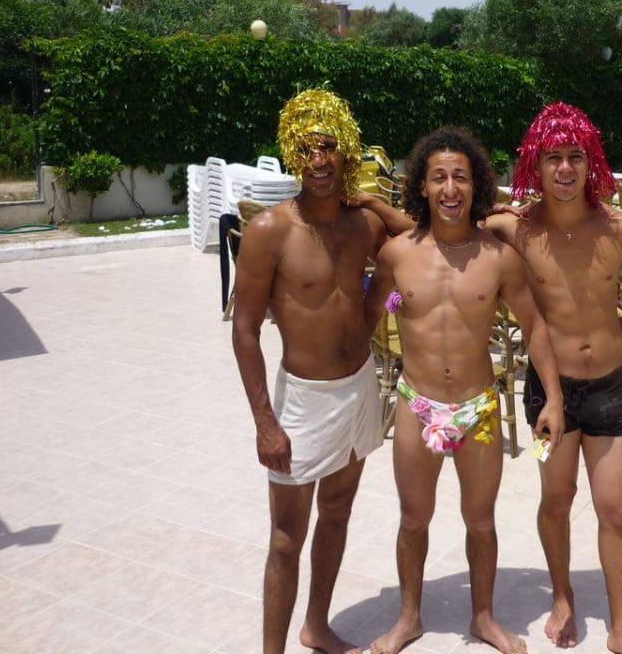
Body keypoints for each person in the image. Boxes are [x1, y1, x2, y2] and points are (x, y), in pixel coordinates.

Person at [484, 102, 622, 654]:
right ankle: (562, 596)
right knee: (556, 499)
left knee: (616, 508)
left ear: (591, 161)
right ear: (534, 163)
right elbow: (444, 224)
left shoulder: (620, 227)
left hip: (608, 390)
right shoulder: (514, 227)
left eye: (576, 156)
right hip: (546, 394)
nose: (565, 168)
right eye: (553, 157)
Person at [365, 126, 566, 654]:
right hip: (416, 405)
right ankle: (408, 618)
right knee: (413, 519)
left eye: (460, 177)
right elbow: (370, 317)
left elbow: (534, 326)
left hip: (478, 408)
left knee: (480, 521)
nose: (450, 188)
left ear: (476, 186)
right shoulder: (396, 255)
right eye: (439, 178)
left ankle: (483, 617)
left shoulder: (498, 257)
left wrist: (553, 398)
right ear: (422, 186)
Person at [232, 89, 411, 654]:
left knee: (337, 514)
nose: (318, 160)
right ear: (292, 153)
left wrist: (377, 207)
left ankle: (316, 625)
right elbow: (244, 330)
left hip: (359, 388)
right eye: (306, 149)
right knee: (286, 539)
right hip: (303, 401)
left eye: (329, 147)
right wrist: (265, 422)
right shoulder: (270, 231)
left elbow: (418, 242)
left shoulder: (364, 226)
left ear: (347, 151)